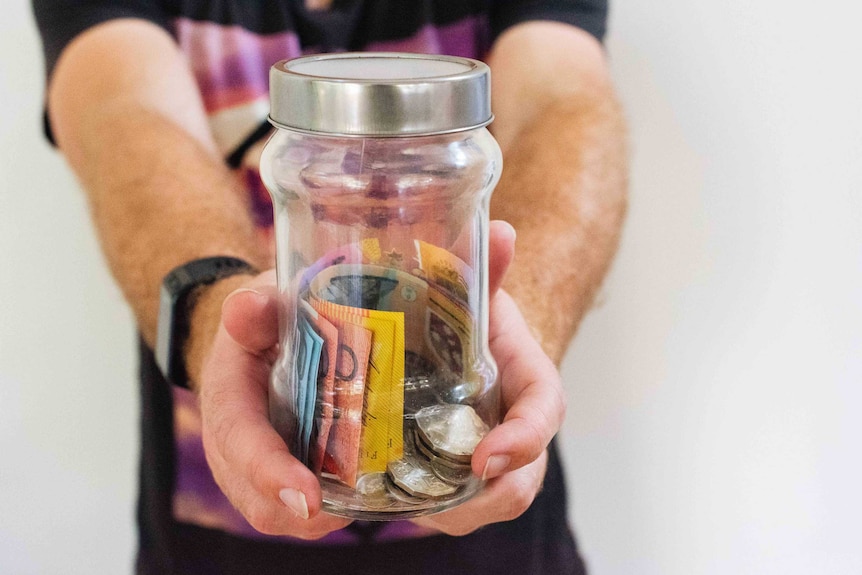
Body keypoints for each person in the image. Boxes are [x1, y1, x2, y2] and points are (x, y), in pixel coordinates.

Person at [33, 1, 627, 573]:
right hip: (214, 535)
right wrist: (215, 314)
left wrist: (505, 334)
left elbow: (564, 97)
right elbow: (120, 107)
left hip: (499, 545)